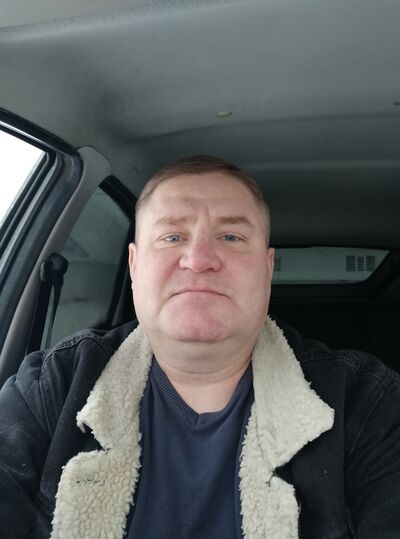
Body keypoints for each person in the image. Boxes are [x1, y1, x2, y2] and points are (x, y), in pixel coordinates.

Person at [1, 155, 400, 539]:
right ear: (135, 266)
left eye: (231, 236)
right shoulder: (51, 386)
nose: (198, 259)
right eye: (172, 236)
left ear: (267, 268)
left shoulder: (365, 402)